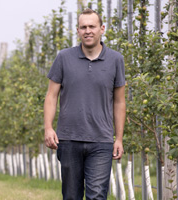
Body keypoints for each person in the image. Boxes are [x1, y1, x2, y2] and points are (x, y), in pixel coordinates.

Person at [44, 8, 126, 200]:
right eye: (83, 27)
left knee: (97, 195)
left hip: (101, 140)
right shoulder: (63, 58)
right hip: (69, 139)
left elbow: (120, 102)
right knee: (71, 196)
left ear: (102, 29)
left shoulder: (116, 60)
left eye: (92, 26)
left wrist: (119, 138)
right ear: (78, 30)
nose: (87, 31)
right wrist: (48, 128)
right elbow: (51, 96)